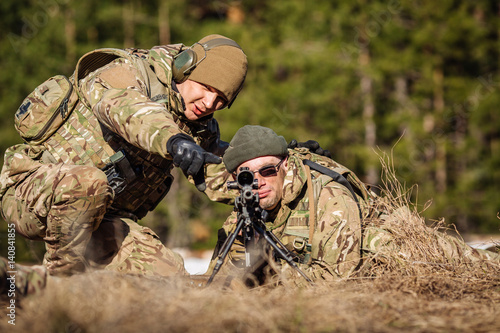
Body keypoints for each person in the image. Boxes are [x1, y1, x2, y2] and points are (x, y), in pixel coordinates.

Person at [0, 34, 248, 277]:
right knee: (87, 183)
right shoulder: (127, 72)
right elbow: (127, 109)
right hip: (32, 194)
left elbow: (222, 172)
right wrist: (173, 140)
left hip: (103, 218)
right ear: (186, 67)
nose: (208, 103)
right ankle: (61, 284)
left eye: (221, 100)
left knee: (169, 278)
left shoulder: (200, 126)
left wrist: (276, 168)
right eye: (206, 88)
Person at [208, 125, 500, 283]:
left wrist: (264, 288)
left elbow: (336, 279)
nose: (257, 182)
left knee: (481, 265)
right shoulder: (243, 213)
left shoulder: (327, 195)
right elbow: (220, 279)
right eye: (246, 176)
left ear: (285, 165)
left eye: (268, 171)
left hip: (400, 250)